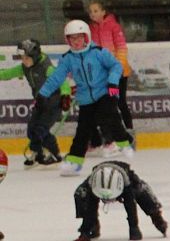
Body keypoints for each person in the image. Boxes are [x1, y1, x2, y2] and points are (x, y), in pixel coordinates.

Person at [38, 19, 132, 176]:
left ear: (86, 37)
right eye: (72, 38)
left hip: (105, 91)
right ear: (67, 40)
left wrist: (113, 82)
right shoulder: (67, 59)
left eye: (79, 37)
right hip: (85, 99)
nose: (76, 41)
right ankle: (74, 162)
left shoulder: (98, 52)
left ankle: (124, 142)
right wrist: (43, 94)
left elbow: (115, 66)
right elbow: (56, 78)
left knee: (110, 115)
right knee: (83, 131)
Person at [2, 39, 64, 166]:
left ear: (35, 56)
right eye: (22, 58)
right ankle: (39, 153)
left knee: (41, 129)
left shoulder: (47, 68)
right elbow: (8, 73)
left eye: (26, 58)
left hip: (53, 104)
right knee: (31, 129)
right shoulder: (25, 68)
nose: (24, 61)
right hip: (40, 103)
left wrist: (66, 95)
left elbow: (61, 80)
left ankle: (54, 154)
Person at [72, 159, 167, 241]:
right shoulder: (90, 184)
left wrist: (134, 228)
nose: (107, 199)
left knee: (142, 192)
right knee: (80, 194)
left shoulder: (128, 185)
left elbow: (130, 206)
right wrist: (85, 231)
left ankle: (157, 218)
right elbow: (90, 207)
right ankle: (93, 224)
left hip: (128, 180)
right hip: (95, 185)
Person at [87, 1, 135, 145]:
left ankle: (129, 133)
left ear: (103, 12)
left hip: (119, 74)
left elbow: (121, 47)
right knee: (105, 105)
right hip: (102, 76)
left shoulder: (113, 26)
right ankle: (109, 137)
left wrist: (117, 68)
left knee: (120, 102)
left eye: (96, 11)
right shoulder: (89, 30)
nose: (93, 14)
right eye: (90, 11)